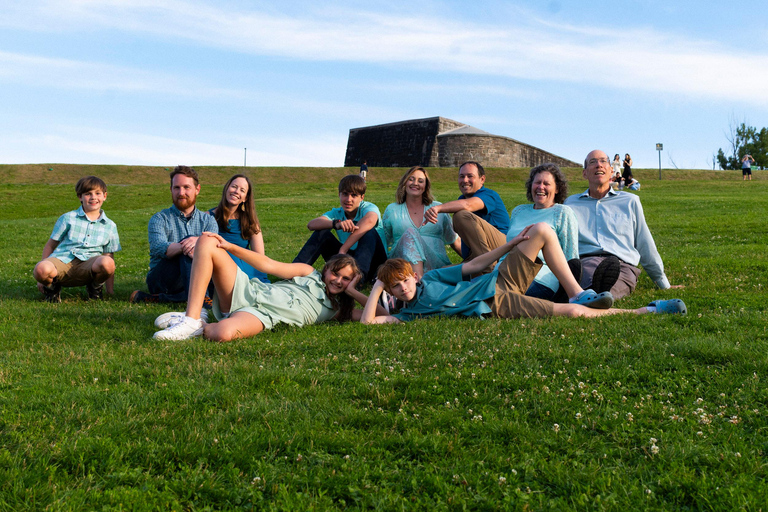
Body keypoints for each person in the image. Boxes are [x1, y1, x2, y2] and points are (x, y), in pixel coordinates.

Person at [361, 223, 687, 324]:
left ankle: (576, 288)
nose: (403, 288)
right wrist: (378, 284)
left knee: (542, 231)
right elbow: (368, 323)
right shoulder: (408, 316)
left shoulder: (431, 279)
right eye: (396, 287)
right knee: (574, 314)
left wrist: (511, 245)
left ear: (414, 277)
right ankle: (649, 310)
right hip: (498, 305)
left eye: (404, 280)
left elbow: (473, 266)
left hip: (499, 280)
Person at [152, 234, 384, 341]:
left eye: (346, 279)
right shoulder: (307, 272)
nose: (338, 281)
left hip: (261, 315)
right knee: (207, 241)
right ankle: (191, 318)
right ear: (326, 270)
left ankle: (200, 324)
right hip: (248, 291)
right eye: (335, 273)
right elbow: (268, 264)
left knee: (222, 333)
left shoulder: (338, 311)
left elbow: (382, 315)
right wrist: (231, 247)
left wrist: (353, 292)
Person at [564, 150, 684, 300]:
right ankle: (593, 295)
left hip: (621, 265)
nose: (598, 165)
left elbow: (644, 242)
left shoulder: (630, 201)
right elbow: (563, 242)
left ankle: (592, 295)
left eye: (603, 161)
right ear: (585, 173)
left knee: (610, 287)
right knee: (588, 277)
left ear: (611, 170)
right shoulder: (570, 204)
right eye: (593, 162)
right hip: (587, 262)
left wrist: (661, 281)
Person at [131, 165, 218, 303]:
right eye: (176, 187)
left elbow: (214, 250)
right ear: (171, 190)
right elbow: (159, 247)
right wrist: (192, 244)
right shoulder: (159, 218)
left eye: (186, 187)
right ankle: (202, 300)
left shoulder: (208, 221)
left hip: (200, 276)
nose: (181, 192)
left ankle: (163, 299)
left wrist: (198, 243)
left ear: (197, 189)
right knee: (189, 245)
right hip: (164, 279)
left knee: (198, 247)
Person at [33, 176, 120, 302]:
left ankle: (95, 288)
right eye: (88, 194)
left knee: (107, 262)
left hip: (89, 265)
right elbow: (50, 245)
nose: (93, 197)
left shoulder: (110, 225)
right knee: (41, 268)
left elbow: (109, 256)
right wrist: (40, 279)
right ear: (80, 196)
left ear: (105, 196)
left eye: (97, 193)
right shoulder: (68, 218)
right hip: (63, 260)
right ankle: (52, 289)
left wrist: (110, 290)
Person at [293, 174, 387, 283]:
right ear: (339, 194)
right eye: (345, 194)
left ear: (362, 197)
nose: (348, 199)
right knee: (323, 231)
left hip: (374, 262)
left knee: (368, 231)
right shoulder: (337, 213)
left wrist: (343, 249)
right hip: (348, 259)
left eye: (354, 195)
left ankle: (357, 281)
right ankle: (293, 272)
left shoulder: (368, 208)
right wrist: (335, 224)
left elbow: (370, 220)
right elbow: (311, 224)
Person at [507, 163, 578, 302]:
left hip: (539, 279)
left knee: (499, 297)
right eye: (537, 182)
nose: (541, 187)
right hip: (505, 271)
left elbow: (571, 256)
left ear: (557, 189)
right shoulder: (518, 211)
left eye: (547, 183)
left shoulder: (562, 213)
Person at [423, 161, 510, 275]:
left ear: (482, 179)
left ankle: (486, 270)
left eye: (470, 176)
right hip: (474, 259)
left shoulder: (489, 195)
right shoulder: (461, 199)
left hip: (502, 250)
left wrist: (438, 208)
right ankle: (478, 271)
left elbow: (468, 205)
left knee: (460, 215)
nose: (465, 180)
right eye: (461, 176)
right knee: (438, 274)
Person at [382, 166, 462, 278]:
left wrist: (474, 258)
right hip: (402, 267)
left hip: (435, 265)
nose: (415, 183)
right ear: (404, 183)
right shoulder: (392, 210)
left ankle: (421, 281)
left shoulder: (438, 208)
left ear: (425, 186)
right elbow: (383, 242)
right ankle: (420, 282)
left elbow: (454, 240)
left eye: (420, 181)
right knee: (410, 233)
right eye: (411, 179)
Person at [209, 174, 269, 284]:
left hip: (244, 267)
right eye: (234, 186)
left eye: (242, 190)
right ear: (227, 188)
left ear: (245, 198)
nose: (237, 191)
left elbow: (260, 257)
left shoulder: (250, 221)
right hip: (218, 265)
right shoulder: (207, 217)